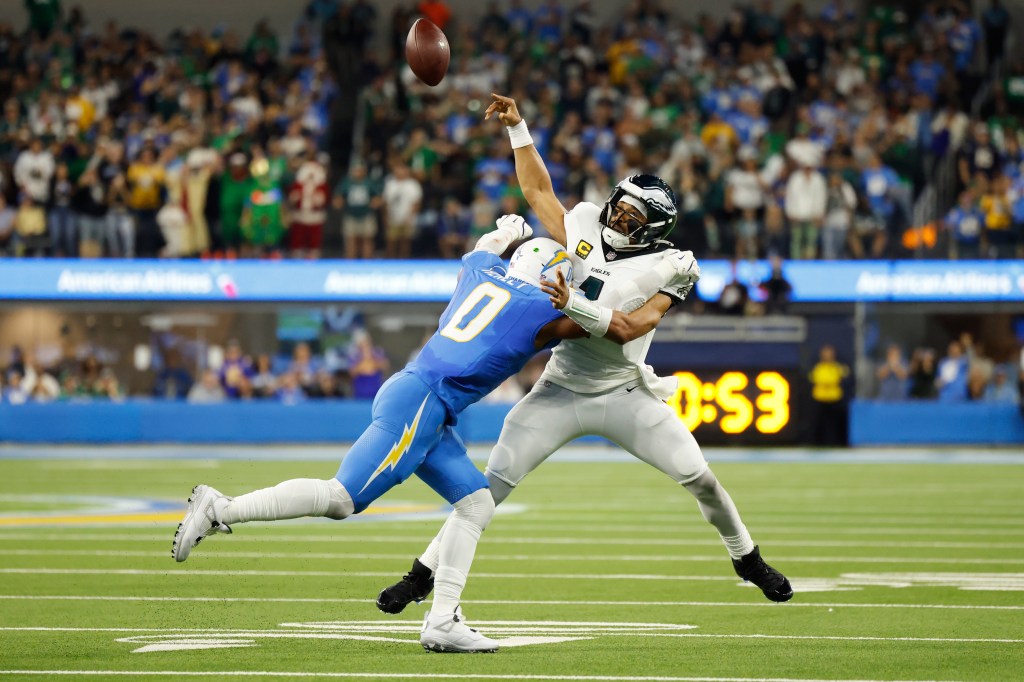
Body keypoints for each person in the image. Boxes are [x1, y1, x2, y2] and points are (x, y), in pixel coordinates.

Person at [172, 216, 697, 653]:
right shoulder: (542, 309)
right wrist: (664, 284)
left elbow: (483, 247)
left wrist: (504, 230)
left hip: (419, 394)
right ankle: (222, 508)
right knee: (340, 499)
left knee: (475, 502)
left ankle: (443, 620)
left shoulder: (479, 272)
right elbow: (611, 327)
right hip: (424, 404)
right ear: (552, 277)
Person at [375, 93, 791, 619]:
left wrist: (572, 301)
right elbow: (536, 189)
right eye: (621, 204)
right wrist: (518, 128)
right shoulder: (588, 223)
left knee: (701, 477)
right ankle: (420, 577)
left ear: (655, 229)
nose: (620, 215)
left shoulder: (671, 265)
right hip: (559, 387)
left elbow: (630, 327)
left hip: (624, 391)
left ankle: (746, 558)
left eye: (635, 215)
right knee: (487, 488)